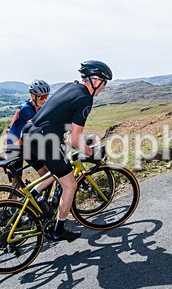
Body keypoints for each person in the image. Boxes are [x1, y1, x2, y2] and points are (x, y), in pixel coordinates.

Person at [22, 60, 112, 242]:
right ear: (95, 80)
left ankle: (34, 198)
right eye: (104, 82)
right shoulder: (85, 98)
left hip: (31, 134)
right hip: (45, 140)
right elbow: (74, 139)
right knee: (70, 184)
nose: (104, 87)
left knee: (57, 173)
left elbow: (65, 123)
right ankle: (58, 229)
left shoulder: (71, 87)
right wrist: (92, 154)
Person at [5, 80, 52, 186]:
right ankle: (14, 202)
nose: (44, 100)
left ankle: (35, 197)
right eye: (41, 97)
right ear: (32, 95)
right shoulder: (26, 109)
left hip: (26, 146)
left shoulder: (38, 107)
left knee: (45, 173)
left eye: (46, 96)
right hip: (15, 146)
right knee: (16, 183)